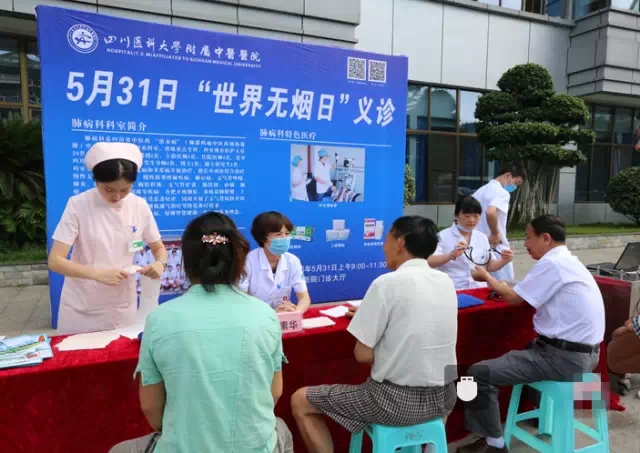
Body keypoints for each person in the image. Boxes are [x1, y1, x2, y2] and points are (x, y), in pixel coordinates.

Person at [108, 212, 293, 453]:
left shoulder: (159, 320)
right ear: (238, 259)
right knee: (281, 429)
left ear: (187, 261)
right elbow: (274, 393)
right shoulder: (265, 315)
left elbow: (151, 409)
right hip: (257, 446)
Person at [291, 216, 458, 452]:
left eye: (386, 238)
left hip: (393, 403)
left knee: (300, 399)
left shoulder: (386, 283)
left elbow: (362, 354)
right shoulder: (445, 281)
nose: (383, 246)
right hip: (445, 398)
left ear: (400, 242)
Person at [457, 215, 604, 453]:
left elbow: (514, 297)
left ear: (546, 238)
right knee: (525, 348)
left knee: (475, 374)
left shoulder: (552, 263)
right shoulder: (568, 261)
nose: (525, 243)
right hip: (586, 355)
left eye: (528, 237)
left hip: (563, 359)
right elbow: (526, 291)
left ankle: (493, 443)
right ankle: (540, 414)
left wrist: (485, 277)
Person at [48, 142, 168, 335]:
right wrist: (97, 274)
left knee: (121, 350)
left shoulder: (139, 206)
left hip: (122, 304)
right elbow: (55, 260)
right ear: (96, 181)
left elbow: (159, 248)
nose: (117, 196)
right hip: (83, 306)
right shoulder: (78, 205)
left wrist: (160, 264)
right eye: (109, 190)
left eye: (125, 190)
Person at [428, 196, 513, 290]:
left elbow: (489, 265)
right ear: (456, 215)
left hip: (478, 288)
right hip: (453, 289)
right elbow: (429, 261)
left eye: (476, 216)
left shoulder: (482, 237)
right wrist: (451, 255)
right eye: (467, 216)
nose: (472, 220)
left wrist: (503, 260)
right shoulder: (443, 236)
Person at [239, 211, 311, 313]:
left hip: (284, 316)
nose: (284, 238)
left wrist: (295, 313)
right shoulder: (247, 261)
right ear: (263, 238)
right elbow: (241, 301)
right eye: (278, 234)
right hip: (255, 317)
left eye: (287, 234)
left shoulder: (292, 260)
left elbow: (304, 297)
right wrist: (273, 313)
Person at [472, 163, 526, 282]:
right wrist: (495, 234)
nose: (515, 187)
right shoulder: (502, 193)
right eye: (516, 183)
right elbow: (491, 211)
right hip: (496, 245)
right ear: (508, 175)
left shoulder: (480, 191)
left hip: (477, 243)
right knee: (503, 283)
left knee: (481, 280)